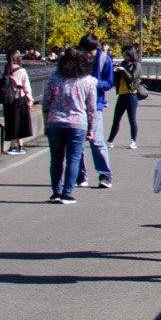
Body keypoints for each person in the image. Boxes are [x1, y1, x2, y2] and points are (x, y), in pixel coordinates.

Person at [40, 44, 98, 204]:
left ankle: (56, 192)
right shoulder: (88, 81)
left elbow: (46, 103)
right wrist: (91, 128)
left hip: (55, 122)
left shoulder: (55, 78)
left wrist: (46, 123)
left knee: (56, 159)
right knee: (74, 158)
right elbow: (91, 108)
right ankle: (67, 193)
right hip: (78, 124)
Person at [70, 34, 115, 189]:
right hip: (77, 104)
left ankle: (105, 174)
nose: (89, 55)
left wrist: (97, 83)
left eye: (92, 52)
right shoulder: (77, 59)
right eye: (86, 52)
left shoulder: (104, 60)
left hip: (95, 105)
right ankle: (80, 175)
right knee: (78, 142)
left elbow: (109, 83)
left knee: (97, 141)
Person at [108, 42, 145, 149]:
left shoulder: (136, 65)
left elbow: (132, 78)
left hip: (131, 95)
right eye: (124, 54)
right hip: (122, 94)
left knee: (132, 119)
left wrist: (123, 71)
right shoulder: (123, 63)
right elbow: (118, 79)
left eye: (126, 55)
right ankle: (110, 140)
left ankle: (133, 141)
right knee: (116, 119)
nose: (125, 57)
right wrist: (116, 71)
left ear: (131, 54)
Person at [0, 48, 35, 154]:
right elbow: (26, 87)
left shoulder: (6, 69)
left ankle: (14, 145)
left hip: (8, 99)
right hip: (20, 98)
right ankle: (18, 146)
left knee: (11, 122)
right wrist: (30, 100)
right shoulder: (22, 71)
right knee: (20, 122)